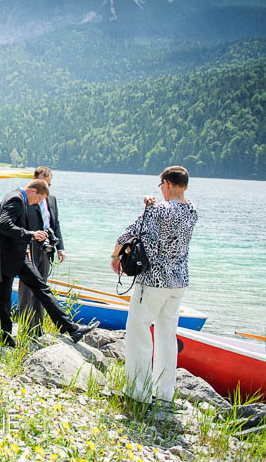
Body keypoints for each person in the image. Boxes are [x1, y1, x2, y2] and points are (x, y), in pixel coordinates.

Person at [111, 166, 197, 405]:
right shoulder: (192, 210)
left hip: (154, 280)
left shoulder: (158, 210)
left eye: (162, 186)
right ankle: (164, 392)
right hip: (178, 281)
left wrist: (115, 255)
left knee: (139, 330)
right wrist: (152, 206)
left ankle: (137, 392)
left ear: (166, 184)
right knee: (167, 335)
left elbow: (131, 232)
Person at [0, 179, 98, 346]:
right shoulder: (17, 199)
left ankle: (4, 336)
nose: (37, 203)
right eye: (38, 199)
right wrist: (30, 235)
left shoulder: (16, 196)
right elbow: (3, 224)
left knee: (8, 296)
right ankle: (71, 329)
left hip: (12, 255)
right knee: (34, 290)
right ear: (33, 191)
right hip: (12, 256)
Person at [19, 166, 66, 336]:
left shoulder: (51, 199)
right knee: (26, 289)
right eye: (44, 184)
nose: (46, 188)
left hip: (46, 248)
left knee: (42, 288)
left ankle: (37, 328)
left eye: (49, 185)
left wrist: (60, 247)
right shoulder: (25, 200)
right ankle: (25, 327)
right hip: (31, 247)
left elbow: (55, 224)